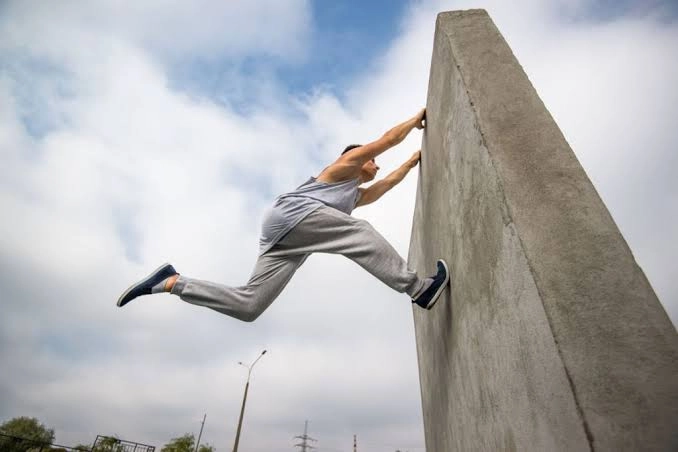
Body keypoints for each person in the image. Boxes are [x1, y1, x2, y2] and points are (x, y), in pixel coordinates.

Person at [116, 108, 449, 321]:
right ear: (357, 159)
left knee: (250, 306)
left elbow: (385, 186)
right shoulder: (341, 168)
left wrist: (411, 161)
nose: (377, 165)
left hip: (285, 240)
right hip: (292, 215)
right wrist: (414, 120)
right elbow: (387, 139)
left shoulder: (353, 196)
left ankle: (172, 282)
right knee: (358, 233)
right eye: (373, 161)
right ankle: (418, 288)